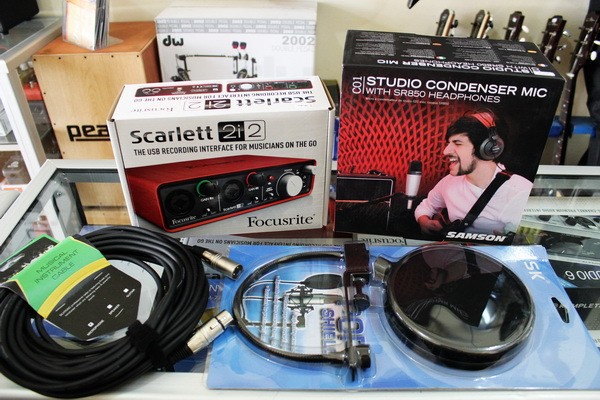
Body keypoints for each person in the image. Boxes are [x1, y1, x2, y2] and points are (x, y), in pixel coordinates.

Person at [414, 111, 533, 236]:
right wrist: (424, 221)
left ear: (486, 148)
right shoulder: (448, 182)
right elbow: (426, 207)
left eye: (457, 143)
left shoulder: (521, 192)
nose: (445, 151)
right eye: (448, 143)